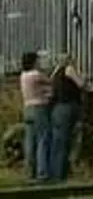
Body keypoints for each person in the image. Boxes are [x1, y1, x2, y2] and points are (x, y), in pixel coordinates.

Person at [49, 54, 85, 181]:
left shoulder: (55, 74)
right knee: (66, 141)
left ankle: (54, 172)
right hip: (68, 107)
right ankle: (60, 173)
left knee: (57, 141)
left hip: (57, 108)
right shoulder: (69, 70)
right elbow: (81, 84)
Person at [19, 51, 52, 181]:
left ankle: (28, 172)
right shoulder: (36, 74)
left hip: (27, 107)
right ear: (33, 62)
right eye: (38, 60)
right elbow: (50, 81)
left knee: (29, 141)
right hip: (39, 108)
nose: (39, 62)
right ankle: (42, 172)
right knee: (42, 139)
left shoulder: (23, 75)